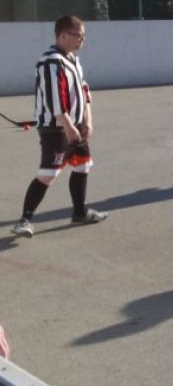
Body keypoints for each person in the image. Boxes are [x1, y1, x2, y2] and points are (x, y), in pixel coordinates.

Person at [11, 15, 108, 238]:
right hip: (56, 129)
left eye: (84, 35)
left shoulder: (73, 60)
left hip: (76, 125)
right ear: (63, 35)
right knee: (49, 173)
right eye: (79, 35)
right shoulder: (50, 62)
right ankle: (24, 220)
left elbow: (84, 92)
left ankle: (79, 213)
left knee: (82, 166)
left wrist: (88, 121)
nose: (83, 39)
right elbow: (54, 99)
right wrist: (68, 126)